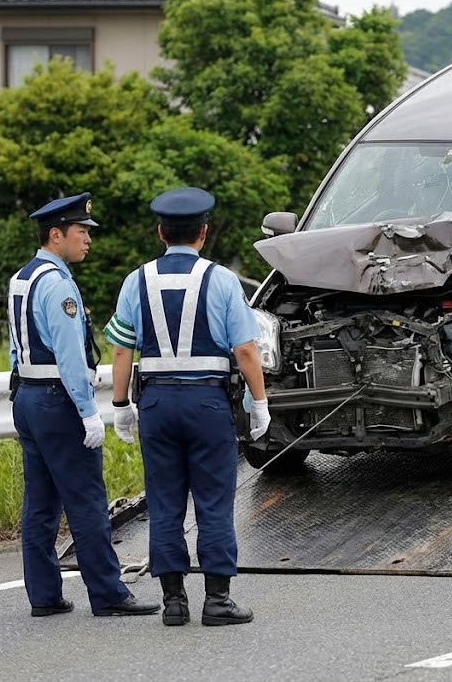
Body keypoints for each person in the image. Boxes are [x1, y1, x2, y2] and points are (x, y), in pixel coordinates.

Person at [104, 186, 271, 626]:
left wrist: (120, 404)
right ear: (204, 232)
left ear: (161, 232)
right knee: (214, 500)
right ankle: (217, 600)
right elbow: (248, 350)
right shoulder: (221, 280)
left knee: (164, 502)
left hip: (157, 402)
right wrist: (260, 403)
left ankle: (174, 601)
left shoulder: (135, 281)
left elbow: (122, 351)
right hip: (207, 402)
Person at [7, 192, 159, 618]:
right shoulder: (58, 286)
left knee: (39, 504)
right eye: (80, 232)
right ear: (56, 235)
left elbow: (21, 350)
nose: (88, 240)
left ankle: (44, 596)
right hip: (59, 402)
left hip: (28, 399)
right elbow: (71, 356)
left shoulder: (22, 278)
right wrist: (88, 412)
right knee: (87, 499)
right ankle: (109, 595)